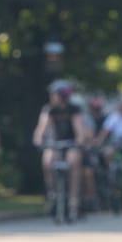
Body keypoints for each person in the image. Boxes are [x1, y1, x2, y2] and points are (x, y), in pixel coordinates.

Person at [32, 79, 91, 218]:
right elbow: (42, 128)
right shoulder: (49, 109)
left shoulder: (74, 109)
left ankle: (73, 201)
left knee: (73, 161)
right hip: (55, 143)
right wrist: (39, 140)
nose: (52, 97)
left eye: (54, 94)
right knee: (47, 160)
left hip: (71, 143)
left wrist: (79, 142)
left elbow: (79, 130)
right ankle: (52, 193)